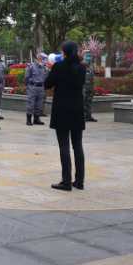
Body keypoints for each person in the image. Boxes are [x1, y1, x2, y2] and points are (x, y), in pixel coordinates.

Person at [44, 42, 86, 191]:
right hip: (77, 110)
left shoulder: (58, 66)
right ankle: (79, 181)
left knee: (64, 146)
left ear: (65, 52)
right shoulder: (82, 67)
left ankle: (66, 181)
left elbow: (47, 84)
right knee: (78, 146)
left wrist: (50, 70)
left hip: (61, 110)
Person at [25, 53, 49, 126]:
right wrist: (29, 86)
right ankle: (29, 120)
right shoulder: (31, 66)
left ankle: (36, 119)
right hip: (33, 87)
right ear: (39, 58)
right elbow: (27, 77)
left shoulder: (44, 67)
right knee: (31, 104)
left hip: (41, 87)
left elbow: (46, 77)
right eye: (43, 59)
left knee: (39, 104)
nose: (45, 61)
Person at [83, 52, 98, 122]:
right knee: (83, 102)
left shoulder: (91, 66)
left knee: (89, 102)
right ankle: (83, 116)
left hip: (90, 87)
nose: (89, 58)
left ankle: (89, 116)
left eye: (90, 56)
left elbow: (95, 74)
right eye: (87, 56)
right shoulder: (81, 66)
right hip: (83, 87)